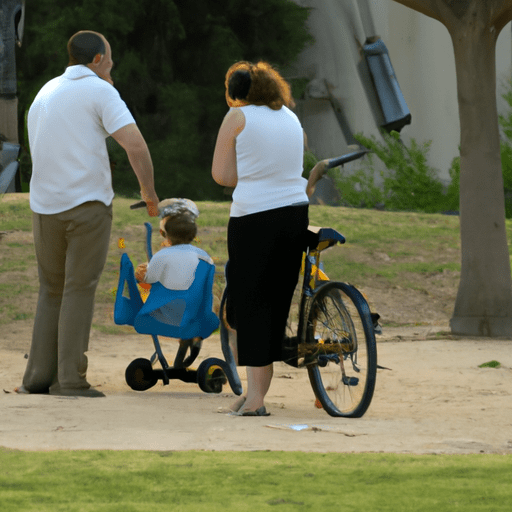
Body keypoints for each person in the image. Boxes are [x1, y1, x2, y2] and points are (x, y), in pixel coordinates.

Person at [16, 31, 159, 397]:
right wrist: (149, 194)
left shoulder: (44, 93)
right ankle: (71, 379)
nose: (112, 66)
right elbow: (135, 145)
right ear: (96, 60)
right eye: (109, 59)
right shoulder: (101, 91)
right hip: (87, 206)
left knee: (52, 290)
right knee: (80, 289)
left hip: (44, 207)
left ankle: (36, 377)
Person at [212, 61, 309, 416]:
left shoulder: (237, 117)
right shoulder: (290, 118)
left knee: (251, 305)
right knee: (275, 302)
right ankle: (255, 395)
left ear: (236, 93)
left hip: (254, 218)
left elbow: (221, 174)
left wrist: (250, 175)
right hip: (295, 214)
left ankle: (255, 400)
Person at [133, 199, 218, 352]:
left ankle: (185, 342)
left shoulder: (162, 256)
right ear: (193, 234)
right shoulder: (205, 258)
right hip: (197, 316)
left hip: (167, 317)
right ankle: (194, 339)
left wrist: (142, 272)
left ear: (163, 234)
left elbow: (149, 279)